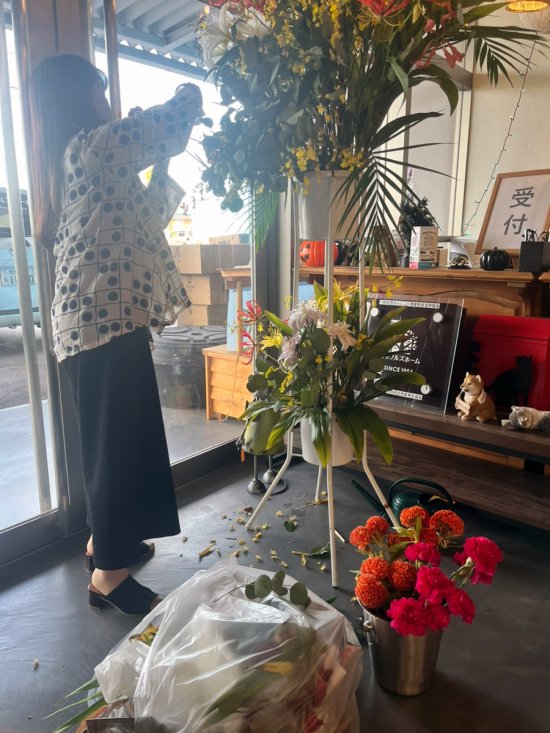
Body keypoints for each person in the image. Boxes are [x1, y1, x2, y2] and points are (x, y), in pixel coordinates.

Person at [29, 54, 203, 615]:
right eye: (98, 91)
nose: (107, 101)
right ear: (77, 98)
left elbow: (145, 220)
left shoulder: (78, 157)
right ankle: (108, 574)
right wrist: (190, 92)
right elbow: (167, 123)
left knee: (114, 445)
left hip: (101, 322)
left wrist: (159, 164)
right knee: (113, 449)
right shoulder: (91, 147)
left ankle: (104, 544)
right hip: (99, 324)